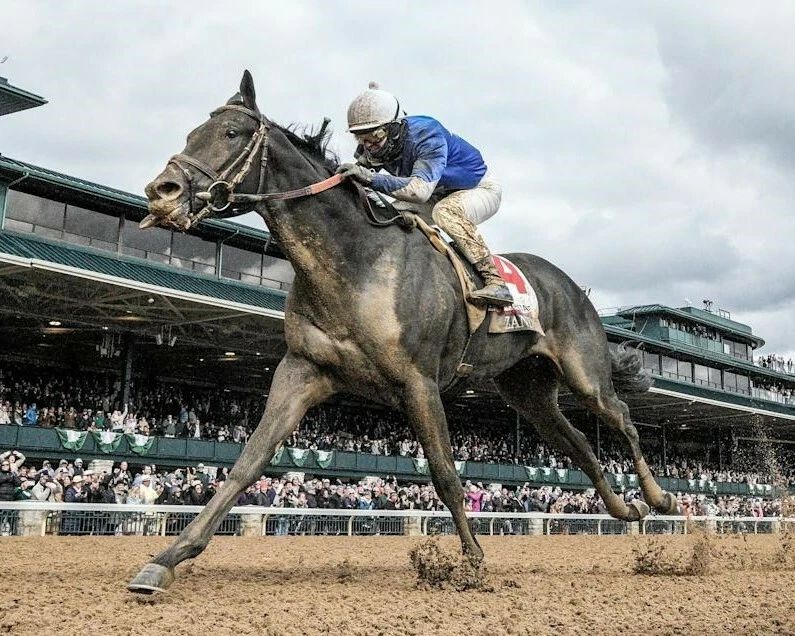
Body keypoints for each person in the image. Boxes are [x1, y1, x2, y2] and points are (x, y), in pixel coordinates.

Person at [337, 82, 512, 307]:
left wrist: (369, 177)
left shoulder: (426, 134)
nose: (369, 146)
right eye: (362, 139)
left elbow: (419, 191)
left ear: (394, 128)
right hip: (437, 194)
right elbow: (358, 176)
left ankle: (495, 281)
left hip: (477, 189)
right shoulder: (373, 145)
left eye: (375, 136)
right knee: (389, 213)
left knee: (446, 213)